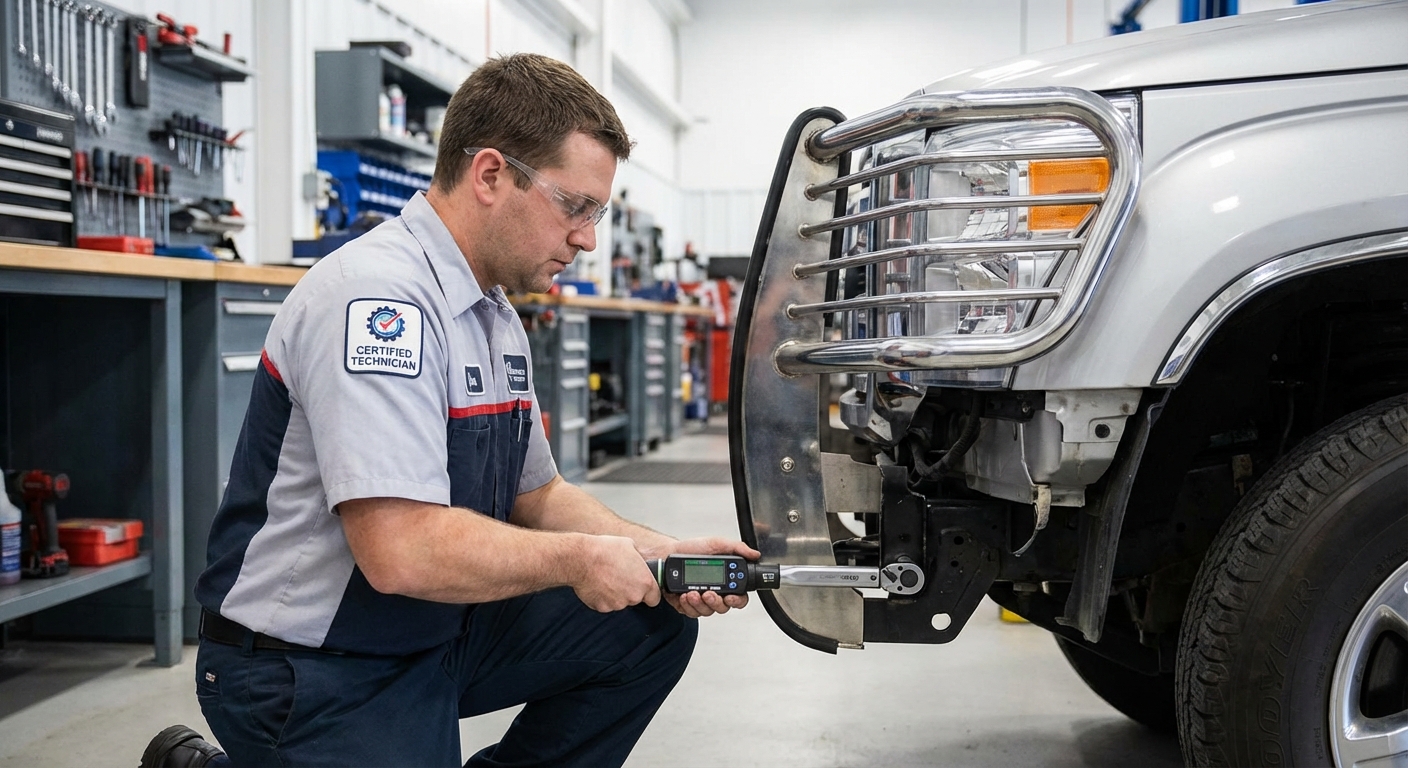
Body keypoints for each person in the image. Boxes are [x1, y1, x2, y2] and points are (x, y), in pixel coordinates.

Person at [141, 53, 758, 768]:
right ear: (491, 174)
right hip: (311, 663)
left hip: (431, 630)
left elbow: (539, 494)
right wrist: (580, 560)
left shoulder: (492, 312)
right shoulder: (377, 305)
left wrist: (658, 551)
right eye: (575, 206)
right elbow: (400, 550)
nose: (588, 238)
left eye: (599, 212)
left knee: (646, 623)